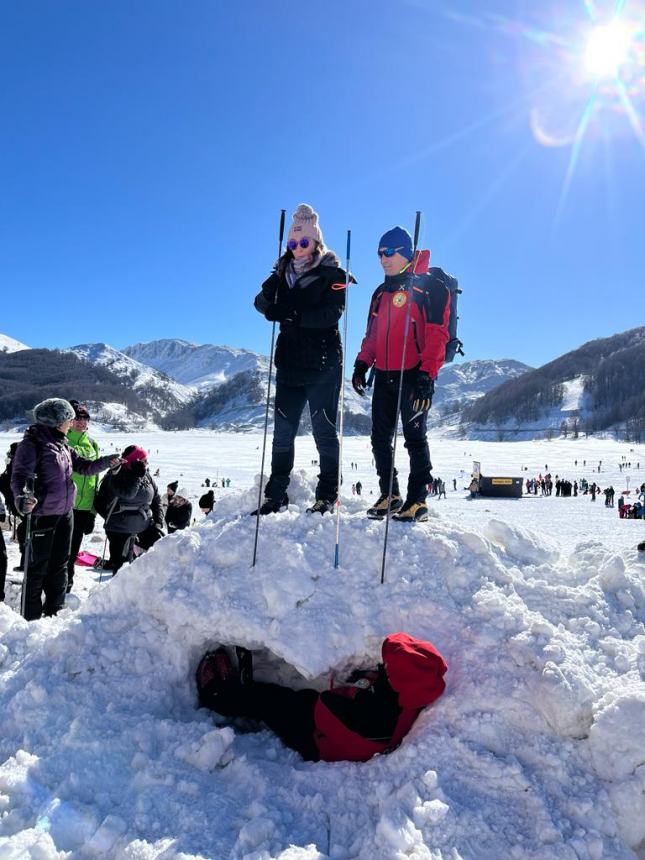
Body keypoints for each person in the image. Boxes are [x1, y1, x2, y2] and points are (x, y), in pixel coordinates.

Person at [196, 633, 447, 763]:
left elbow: (327, 707)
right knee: (280, 698)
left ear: (401, 679)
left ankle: (218, 695)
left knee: (270, 703)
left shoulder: (377, 717)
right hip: (335, 726)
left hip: (320, 741)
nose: (384, 666)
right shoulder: (416, 688)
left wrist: (333, 696)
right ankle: (240, 692)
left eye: (389, 668)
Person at [252, 204, 350, 516]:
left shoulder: (332, 274)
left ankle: (326, 494)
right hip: (290, 365)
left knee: (324, 431)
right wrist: (269, 299)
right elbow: (259, 303)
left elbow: (332, 313)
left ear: (316, 243)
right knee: (282, 434)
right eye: (292, 244)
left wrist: (293, 314)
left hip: (323, 366)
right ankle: (276, 494)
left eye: (303, 243)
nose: (297, 249)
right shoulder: (282, 274)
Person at [352, 226, 450, 523]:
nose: (383, 258)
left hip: (414, 375)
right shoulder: (380, 293)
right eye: (380, 253)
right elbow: (373, 335)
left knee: (414, 438)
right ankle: (390, 494)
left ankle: (417, 500)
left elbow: (437, 335)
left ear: (406, 252)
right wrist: (362, 363)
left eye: (389, 252)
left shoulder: (430, 287)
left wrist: (427, 375)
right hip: (383, 374)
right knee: (379, 438)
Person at [10, 398, 118, 620]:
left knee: (60, 565)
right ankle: (29, 620)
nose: (72, 422)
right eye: (69, 418)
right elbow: (19, 476)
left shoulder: (63, 444)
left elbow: (84, 467)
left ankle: (54, 613)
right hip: (42, 515)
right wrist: (21, 499)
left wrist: (107, 461)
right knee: (38, 568)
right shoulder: (32, 444)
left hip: (65, 514)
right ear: (57, 421)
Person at [95, 446, 164, 574]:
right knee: (122, 570)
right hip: (119, 530)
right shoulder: (115, 475)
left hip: (144, 527)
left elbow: (156, 499)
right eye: (143, 460)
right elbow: (101, 501)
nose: (146, 464)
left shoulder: (146, 476)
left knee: (148, 567)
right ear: (135, 460)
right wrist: (112, 517)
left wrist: (158, 520)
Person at [65, 401, 102, 593]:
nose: (81, 422)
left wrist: (93, 512)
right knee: (59, 550)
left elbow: (95, 480)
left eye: (84, 418)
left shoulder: (93, 444)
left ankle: (66, 587)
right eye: (77, 418)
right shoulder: (63, 441)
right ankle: (53, 587)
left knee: (72, 551)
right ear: (69, 420)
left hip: (84, 508)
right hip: (64, 506)